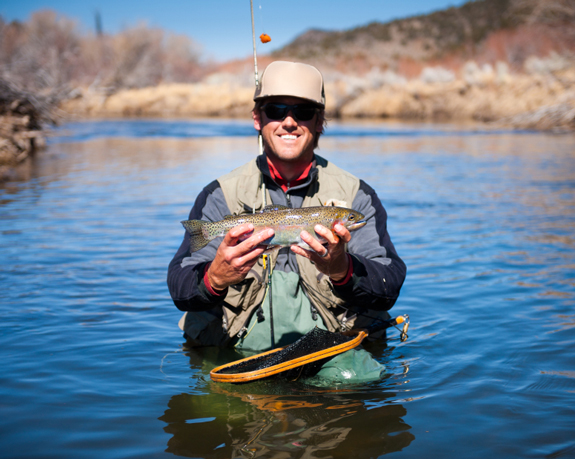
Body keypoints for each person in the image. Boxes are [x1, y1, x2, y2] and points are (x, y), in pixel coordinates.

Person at [167, 61, 406, 351]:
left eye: (303, 112)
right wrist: (214, 277)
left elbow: (389, 283)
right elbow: (180, 287)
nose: (289, 122)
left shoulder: (357, 195)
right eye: (276, 110)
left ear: (320, 122)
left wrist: (344, 270)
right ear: (257, 118)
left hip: (333, 349)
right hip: (235, 353)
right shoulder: (220, 195)